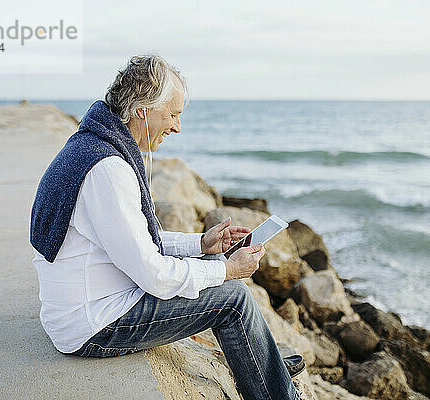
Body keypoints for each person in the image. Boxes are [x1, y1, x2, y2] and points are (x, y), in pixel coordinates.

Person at [30, 54, 302, 400]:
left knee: (209, 271)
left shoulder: (93, 143)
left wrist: (202, 245)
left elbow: (141, 239)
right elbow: (155, 276)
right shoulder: (108, 169)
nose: (177, 127)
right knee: (232, 297)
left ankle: (268, 366)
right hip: (93, 324)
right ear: (143, 110)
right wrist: (229, 270)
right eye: (172, 114)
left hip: (90, 303)